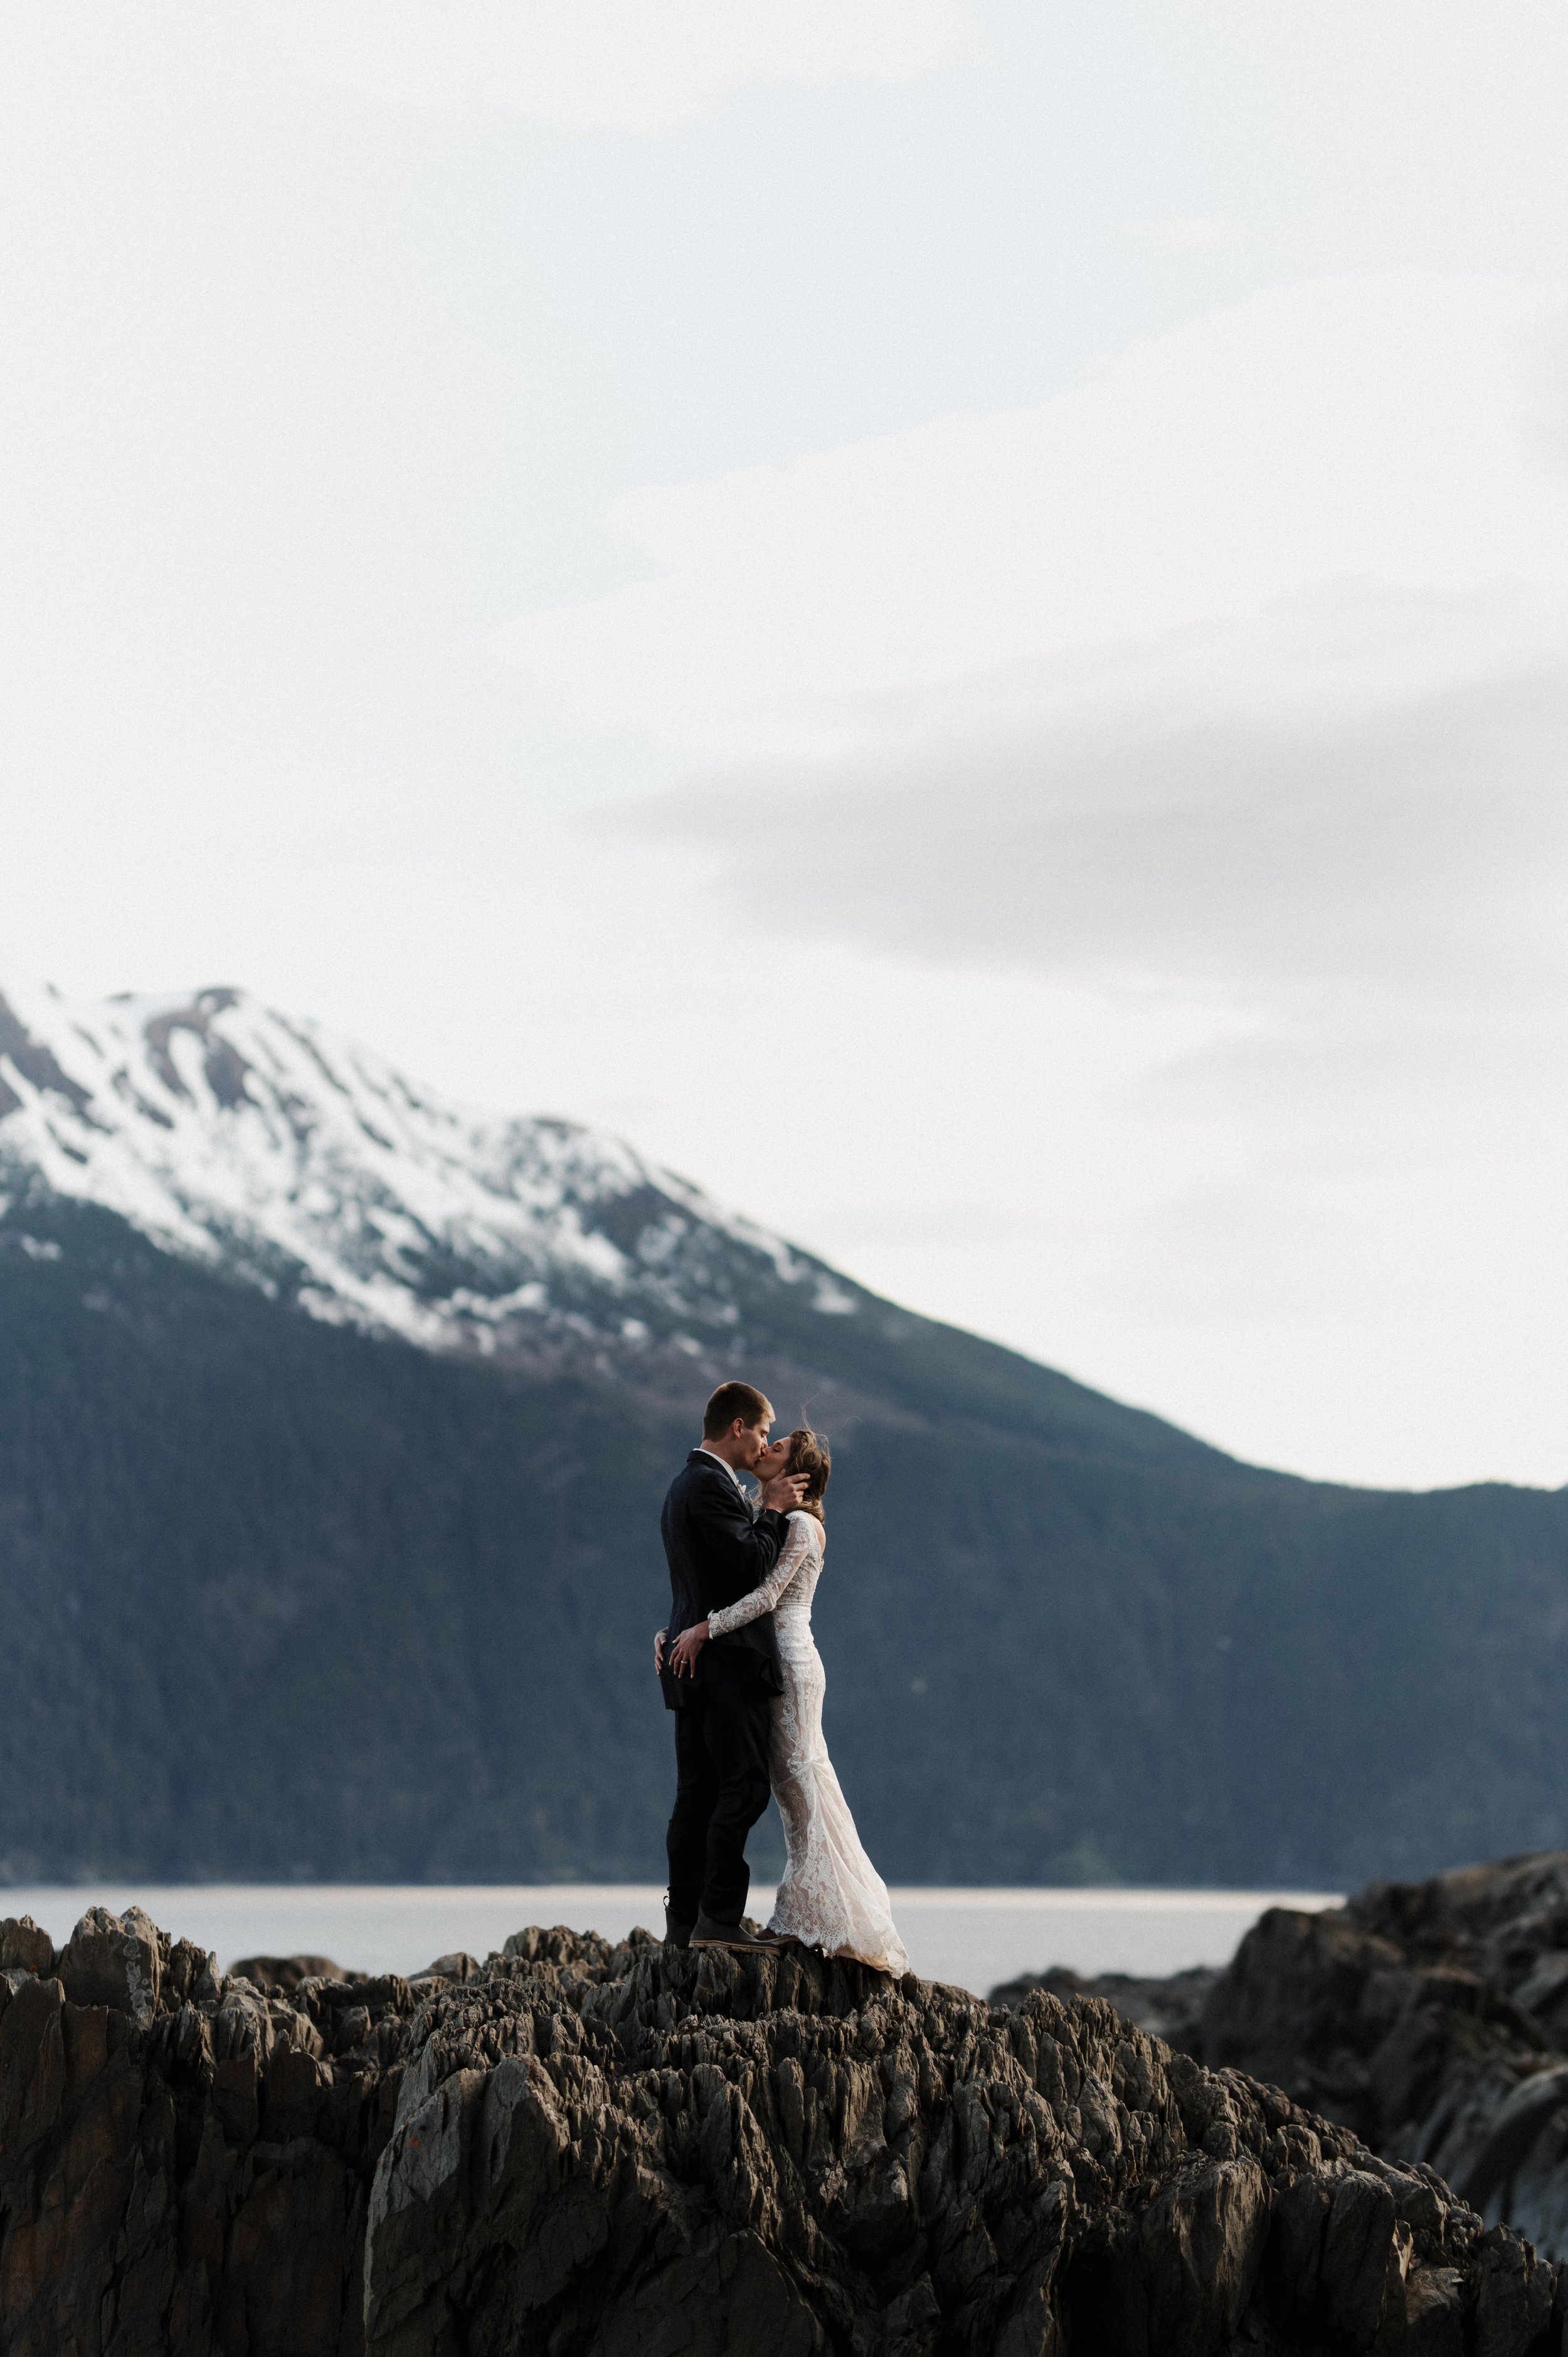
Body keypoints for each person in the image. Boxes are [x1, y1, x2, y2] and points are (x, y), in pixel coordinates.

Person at [665, 1423, 911, 1976]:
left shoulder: (800, 1524)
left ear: (795, 1473)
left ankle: (834, 1914)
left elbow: (769, 1595)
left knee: (801, 1778)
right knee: (789, 1785)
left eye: (774, 1448)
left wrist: (704, 1628)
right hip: (767, 1662)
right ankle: (809, 1908)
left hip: (794, 1664)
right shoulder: (768, 1514)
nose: (763, 1449)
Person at [656, 1381, 808, 1953]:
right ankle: (718, 1916)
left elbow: (695, 1576)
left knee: (695, 1793)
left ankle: (684, 1921)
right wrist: (771, 1510)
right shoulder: (711, 1485)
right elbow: (749, 1566)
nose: (763, 1444)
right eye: (764, 1431)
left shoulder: (682, 1485)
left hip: (690, 1661)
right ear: (738, 1426)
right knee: (742, 1786)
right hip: (724, 1664)